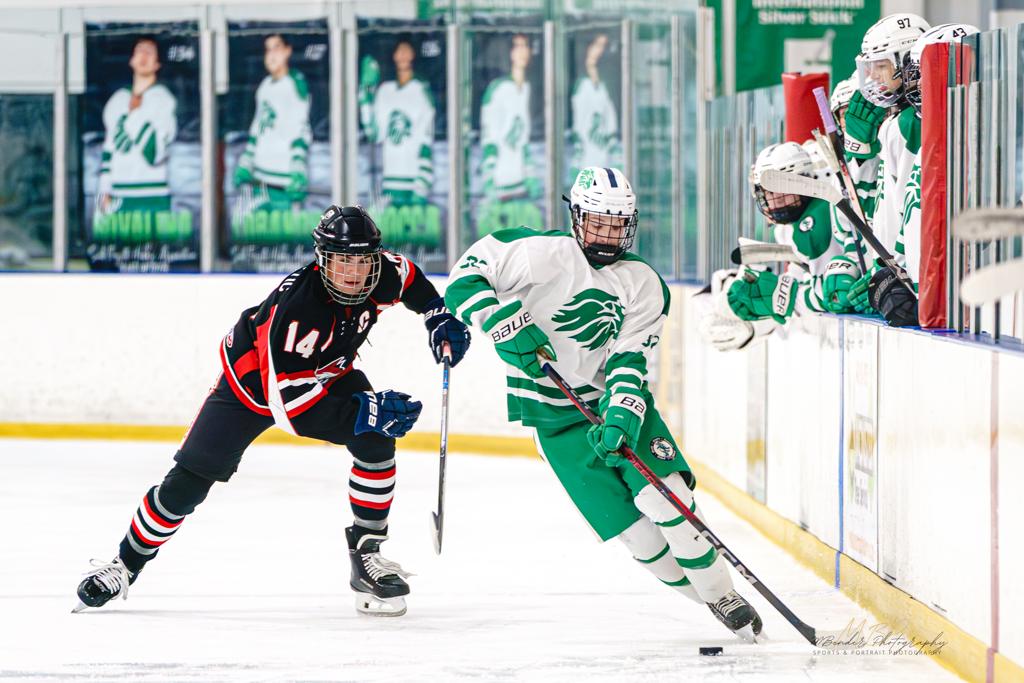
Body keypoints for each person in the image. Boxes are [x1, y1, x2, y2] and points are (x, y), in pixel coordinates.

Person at [74, 206, 470, 618]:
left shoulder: (383, 271)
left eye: (361, 260)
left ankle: (367, 558)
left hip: (327, 371)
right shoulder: (299, 308)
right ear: (322, 259)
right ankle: (124, 565)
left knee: (376, 440)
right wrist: (365, 411)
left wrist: (438, 316)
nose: (353, 272)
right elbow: (294, 411)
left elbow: (411, 279)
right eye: (342, 260)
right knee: (187, 484)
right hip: (253, 389)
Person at [445, 166, 763, 640]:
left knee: (666, 497)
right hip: (553, 419)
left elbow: (630, 360)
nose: (607, 234)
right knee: (637, 535)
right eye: (597, 222)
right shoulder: (535, 253)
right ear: (576, 216)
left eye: (617, 224)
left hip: (617, 404)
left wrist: (621, 415)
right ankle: (705, 599)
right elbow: (463, 279)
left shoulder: (642, 282)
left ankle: (722, 594)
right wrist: (499, 321)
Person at [96, 36, 177, 220]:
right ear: (131, 60)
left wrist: (134, 115)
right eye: (139, 51)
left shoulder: (164, 100)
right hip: (119, 195)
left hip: (153, 195)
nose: (143, 56)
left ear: (157, 64)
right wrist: (104, 191)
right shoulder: (117, 101)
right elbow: (109, 151)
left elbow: (154, 154)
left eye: (149, 52)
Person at [234, 33, 312, 214]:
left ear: (288, 51)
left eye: (276, 48)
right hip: (260, 178)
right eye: (267, 50)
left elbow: (301, 128)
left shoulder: (295, 84)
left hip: (284, 180)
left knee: (285, 229)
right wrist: (247, 160)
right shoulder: (265, 86)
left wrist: (298, 165)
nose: (271, 55)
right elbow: (258, 126)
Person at [358, 37, 436, 206]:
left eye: (407, 50)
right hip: (390, 181)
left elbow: (426, 139)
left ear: (413, 54)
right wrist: (365, 96)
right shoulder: (385, 91)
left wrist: (422, 183)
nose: (402, 55)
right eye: (399, 51)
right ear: (393, 55)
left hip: (414, 181)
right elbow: (374, 134)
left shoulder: (421, 91)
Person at [480, 33, 539, 202]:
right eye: (517, 47)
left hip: (521, 184)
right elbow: (489, 138)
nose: (522, 52)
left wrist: (530, 175)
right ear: (509, 53)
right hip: (499, 184)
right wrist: (489, 177)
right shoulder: (498, 89)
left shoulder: (526, 88)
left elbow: (522, 140)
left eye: (525, 46)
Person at [568, 33, 620, 181]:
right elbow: (576, 121)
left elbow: (610, 118)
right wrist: (577, 156)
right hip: (583, 160)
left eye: (603, 46)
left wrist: (615, 151)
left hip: (604, 159)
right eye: (597, 45)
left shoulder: (605, 84)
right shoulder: (579, 83)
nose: (599, 50)